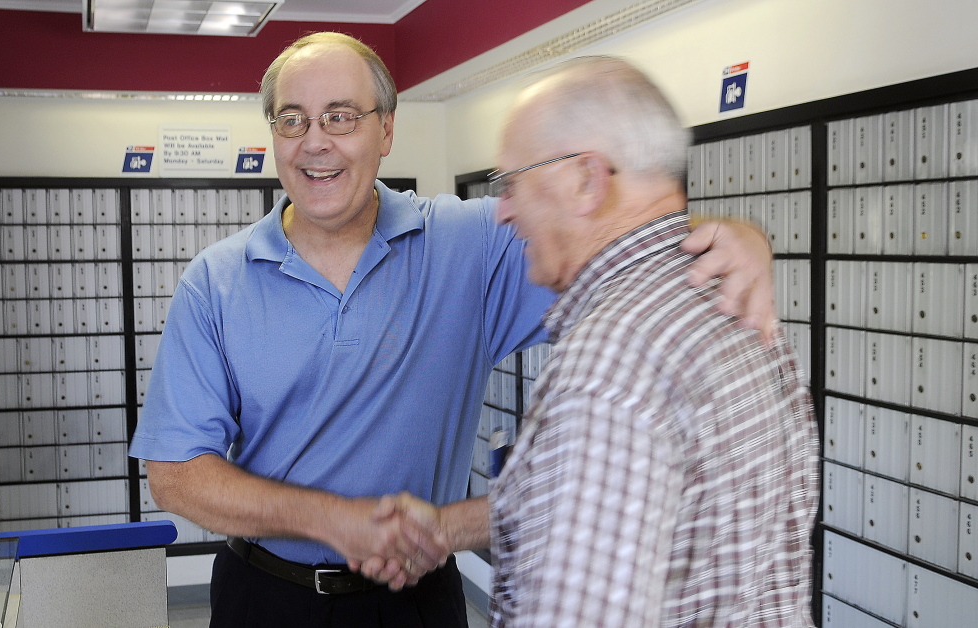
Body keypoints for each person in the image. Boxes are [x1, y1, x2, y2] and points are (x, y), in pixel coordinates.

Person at [129, 33, 780, 628]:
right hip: (266, 598)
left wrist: (735, 239)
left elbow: (610, 247)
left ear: (385, 131)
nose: (314, 142)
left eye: (340, 116)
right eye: (291, 120)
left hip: (419, 603)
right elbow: (176, 474)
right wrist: (336, 522)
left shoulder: (470, 244)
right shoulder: (215, 281)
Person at [487, 56, 819, 627]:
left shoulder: (610, 365)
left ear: (587, 179)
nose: (501, 212)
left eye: (512, 183)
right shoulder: (738, 305)